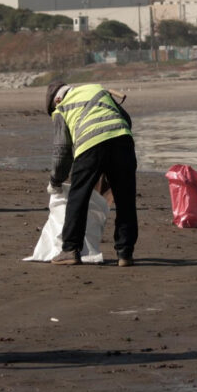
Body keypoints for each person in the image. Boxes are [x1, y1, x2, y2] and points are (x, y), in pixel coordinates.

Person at [45, 82, 138, 267]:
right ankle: (125, 253)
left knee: (78, 196)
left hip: (90, 145)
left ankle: (70, 249)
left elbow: (62, 151)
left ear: (56, 99)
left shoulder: (61, 108)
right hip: (123, 140)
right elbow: (126, 119)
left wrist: (55, 180)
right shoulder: (97, 89)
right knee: (125, 199)